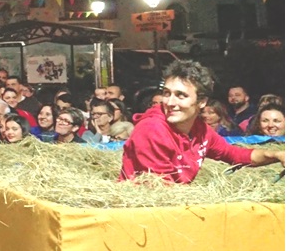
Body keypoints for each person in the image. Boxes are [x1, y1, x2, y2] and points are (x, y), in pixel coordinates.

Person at [120, 60, 285, 184]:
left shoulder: (199, 129)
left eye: (181, 95)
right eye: (166, 93)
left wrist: (275, 155)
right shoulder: (152, 129)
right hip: (147, 216)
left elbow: (233, 154)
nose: (170, 102)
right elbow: (160, 189)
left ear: (202, 101)